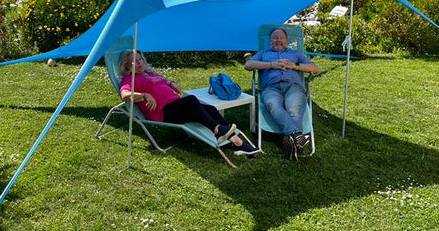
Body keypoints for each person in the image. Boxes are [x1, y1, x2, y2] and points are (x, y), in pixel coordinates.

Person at [118, 50, 261, 157]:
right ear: (127, 67)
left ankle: (237, 143)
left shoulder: (150, 74)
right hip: (162, 112)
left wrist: (171, 83)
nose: (139, 63)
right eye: (134, 62)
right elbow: (125, 95)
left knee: (210, 109)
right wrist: (144, 95)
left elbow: (161, 82)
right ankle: (218, 131)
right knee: (191, 100)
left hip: (176, 105)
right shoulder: (129, 79)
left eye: (140, 59)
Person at [244, 27, 319, 160]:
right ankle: (297, 138)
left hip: (293, 87)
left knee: (294, 109)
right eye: (275, 38)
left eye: (281, 38)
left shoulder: (296, 54)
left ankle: (293, 143)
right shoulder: (263, 54)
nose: (278, 40)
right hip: (271, 88)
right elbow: (248, 65)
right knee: (274, 106)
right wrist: (271, 64)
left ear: (286, 40)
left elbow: (314, 68)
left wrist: (294, 66)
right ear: (270, 41)